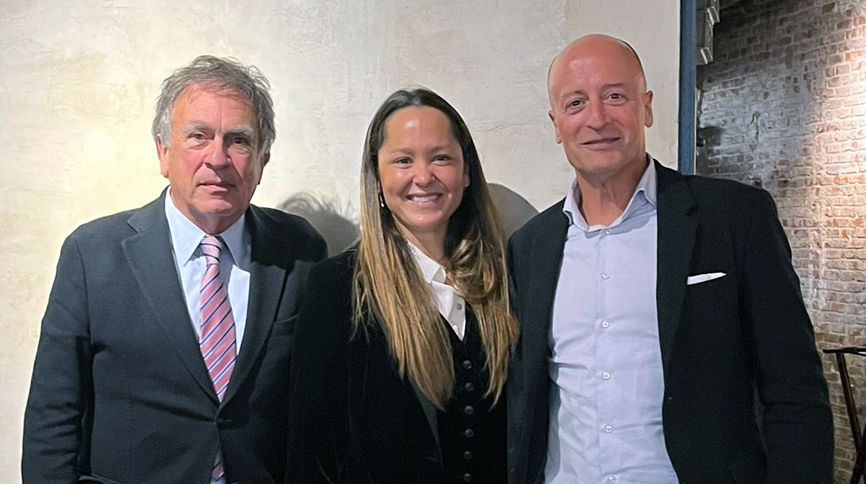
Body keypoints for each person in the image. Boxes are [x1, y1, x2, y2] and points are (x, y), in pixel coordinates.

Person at [507, 34, 833, 484]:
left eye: (615, 96)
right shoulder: (530, 247)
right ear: (556, 123)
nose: (596, 118)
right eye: (576, 103)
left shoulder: (735, 218)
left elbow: (795, 391)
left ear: (647, 107)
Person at [22, 55, 326, 484]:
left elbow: (317, 405)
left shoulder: (301, 251)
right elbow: (54, 413)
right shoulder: (93, 254)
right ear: (164, 152)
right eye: (198, 136)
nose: (218, 158)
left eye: (238, 140)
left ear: (262, 160)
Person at [286, 87, 518, 484]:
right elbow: (311, 452)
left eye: (441, 158)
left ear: (466, 173)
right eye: (403, 160)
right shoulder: (339, 288)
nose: (423, 176)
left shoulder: (505, 280)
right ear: (377, 177)